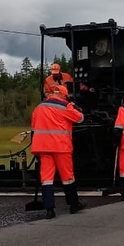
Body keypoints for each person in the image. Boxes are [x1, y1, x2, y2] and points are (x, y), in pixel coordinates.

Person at [30, 85, 86, 219]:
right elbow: (80, 118)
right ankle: (74, 205)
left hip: (43, 147)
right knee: (67, 177)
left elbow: (33, 127)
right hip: (61, 147)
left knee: (47, 179)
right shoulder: (65, 106)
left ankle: (49, 209)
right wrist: (75, 107)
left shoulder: (39, 107)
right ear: (63, 95)